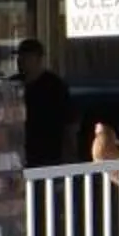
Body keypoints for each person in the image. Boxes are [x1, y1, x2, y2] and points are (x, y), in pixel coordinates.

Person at [17, 38, 73, 168]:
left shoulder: (55, 86)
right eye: (19, 56)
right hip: (20, 155)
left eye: (26, 56)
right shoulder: (13, 85)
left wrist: (69, 154)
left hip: (49, 156)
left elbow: (70, 123)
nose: (20, 61)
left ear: (38, 58)